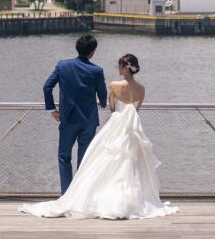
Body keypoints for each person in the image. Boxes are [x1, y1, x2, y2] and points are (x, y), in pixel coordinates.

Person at [20, 54, 178, 220]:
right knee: (131, 165)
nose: (118, 69)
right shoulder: (142, 89)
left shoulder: (115, 85)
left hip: (115, 126)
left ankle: (81, 194)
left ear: (124, 67)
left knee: (100, 160)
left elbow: (111, 107)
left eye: (119, 66)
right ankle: (129, 200)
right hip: (132, 129)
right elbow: (135, 110)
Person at [42, 33, 107, 195]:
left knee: (64, 157)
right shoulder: (97, 70)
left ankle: (66, 194)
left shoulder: (62, 66)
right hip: (89, 120)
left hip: (68, 118)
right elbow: (103, 95)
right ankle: (81, 194)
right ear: (92, 52)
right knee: (85, 159)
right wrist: (104, 103)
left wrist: (52, 109)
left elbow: (47, 87)